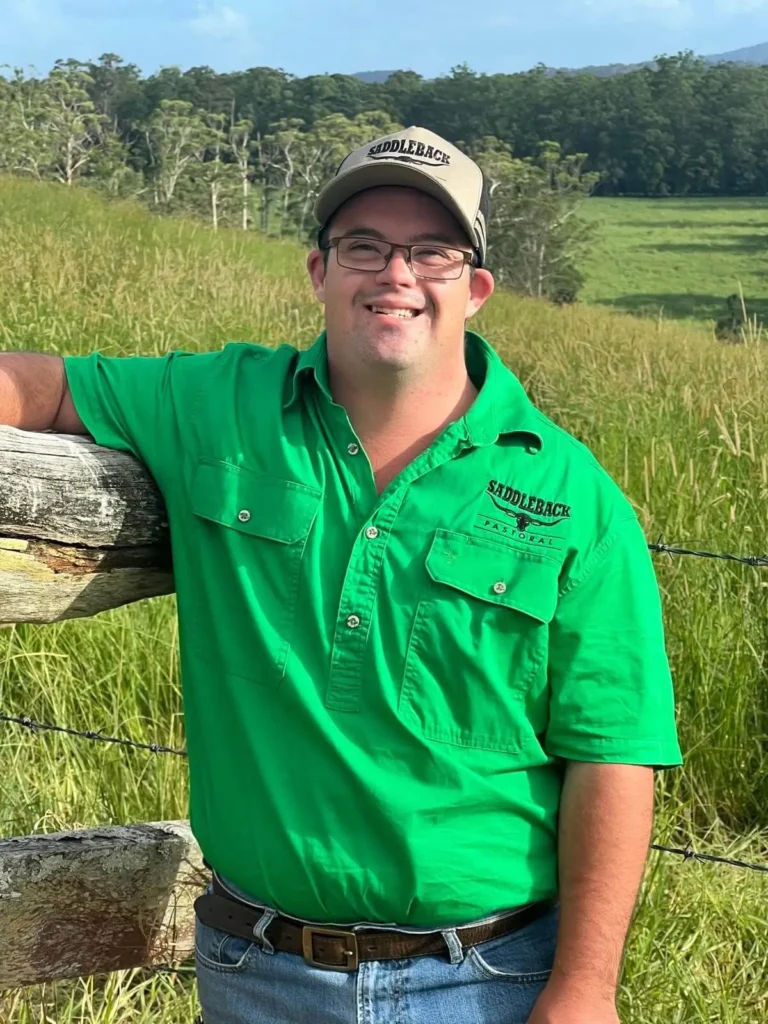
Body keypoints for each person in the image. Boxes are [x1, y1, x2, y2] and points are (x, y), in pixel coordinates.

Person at [0, 125, 682, 1024]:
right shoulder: (221, 404)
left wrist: (586, 989)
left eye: (430, 251)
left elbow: (615, 752)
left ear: (474, 288)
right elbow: (36, 387)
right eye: (364, 245)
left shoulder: (571, 493)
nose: (395, 275)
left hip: (485, 975)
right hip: (255, 964)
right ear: (320, 272)